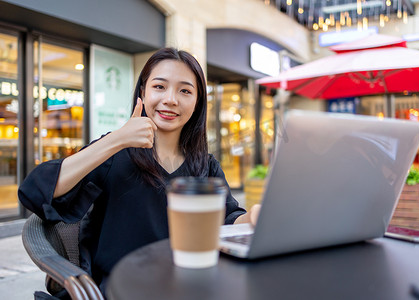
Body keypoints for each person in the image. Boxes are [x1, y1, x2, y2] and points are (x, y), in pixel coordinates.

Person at [19, 47, 260, 296]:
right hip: (123, 289)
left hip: (188, 288)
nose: (171, 99)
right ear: (142, 92)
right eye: (159, 87)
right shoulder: (113, 153)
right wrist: (117, 139)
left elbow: (228, 220)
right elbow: (35, 192)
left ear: (197, 102)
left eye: (185, 91)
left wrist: (252, 218)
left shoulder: (205, 166)